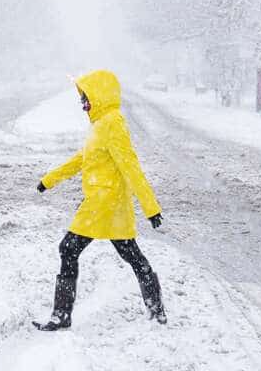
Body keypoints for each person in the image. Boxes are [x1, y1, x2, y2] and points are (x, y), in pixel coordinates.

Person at [33, 69, 166, 331]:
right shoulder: (100, 125)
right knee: (131, 254)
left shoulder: (112, 123)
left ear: (99, 96)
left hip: (103, 203)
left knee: (68, 248)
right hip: (108, 204)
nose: (82, 103)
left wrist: (151, 208)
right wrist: (49, 180)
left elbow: (130, 166)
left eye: (85, 97)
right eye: (82, 97)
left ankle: (62, 315)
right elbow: (81, 159)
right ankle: (156, 308)